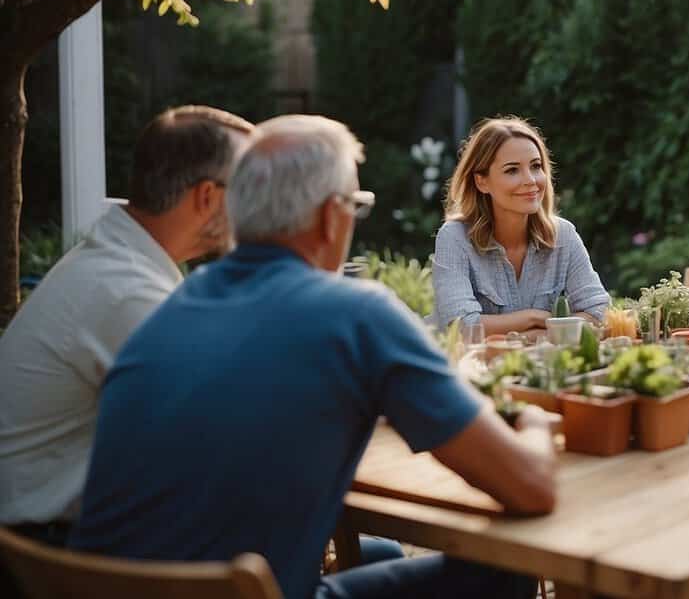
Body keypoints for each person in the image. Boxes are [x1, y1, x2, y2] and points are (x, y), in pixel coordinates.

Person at [68, 115, 554, 599]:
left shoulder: (171, 304)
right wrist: (534, 420)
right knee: (502, 566)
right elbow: (530, 487)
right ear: (331, 215)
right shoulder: (359, 315)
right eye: (356, 206)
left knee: (379, 553)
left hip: (93, 585)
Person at [0, 105, 254, 543]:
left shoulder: (113, 264)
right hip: (55, 553)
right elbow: (234, 427)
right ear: (207, 197)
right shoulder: (126, 291)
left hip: (45, 536)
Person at [433, 116, 609, 334]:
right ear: (482, 181)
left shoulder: (563, 235)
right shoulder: (454, 238)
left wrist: (537, 334)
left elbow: (598, 313)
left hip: (545, 368)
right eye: (512, 170)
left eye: (536, 166)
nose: (531, 180)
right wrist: (534, 318)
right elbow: (461, 326)